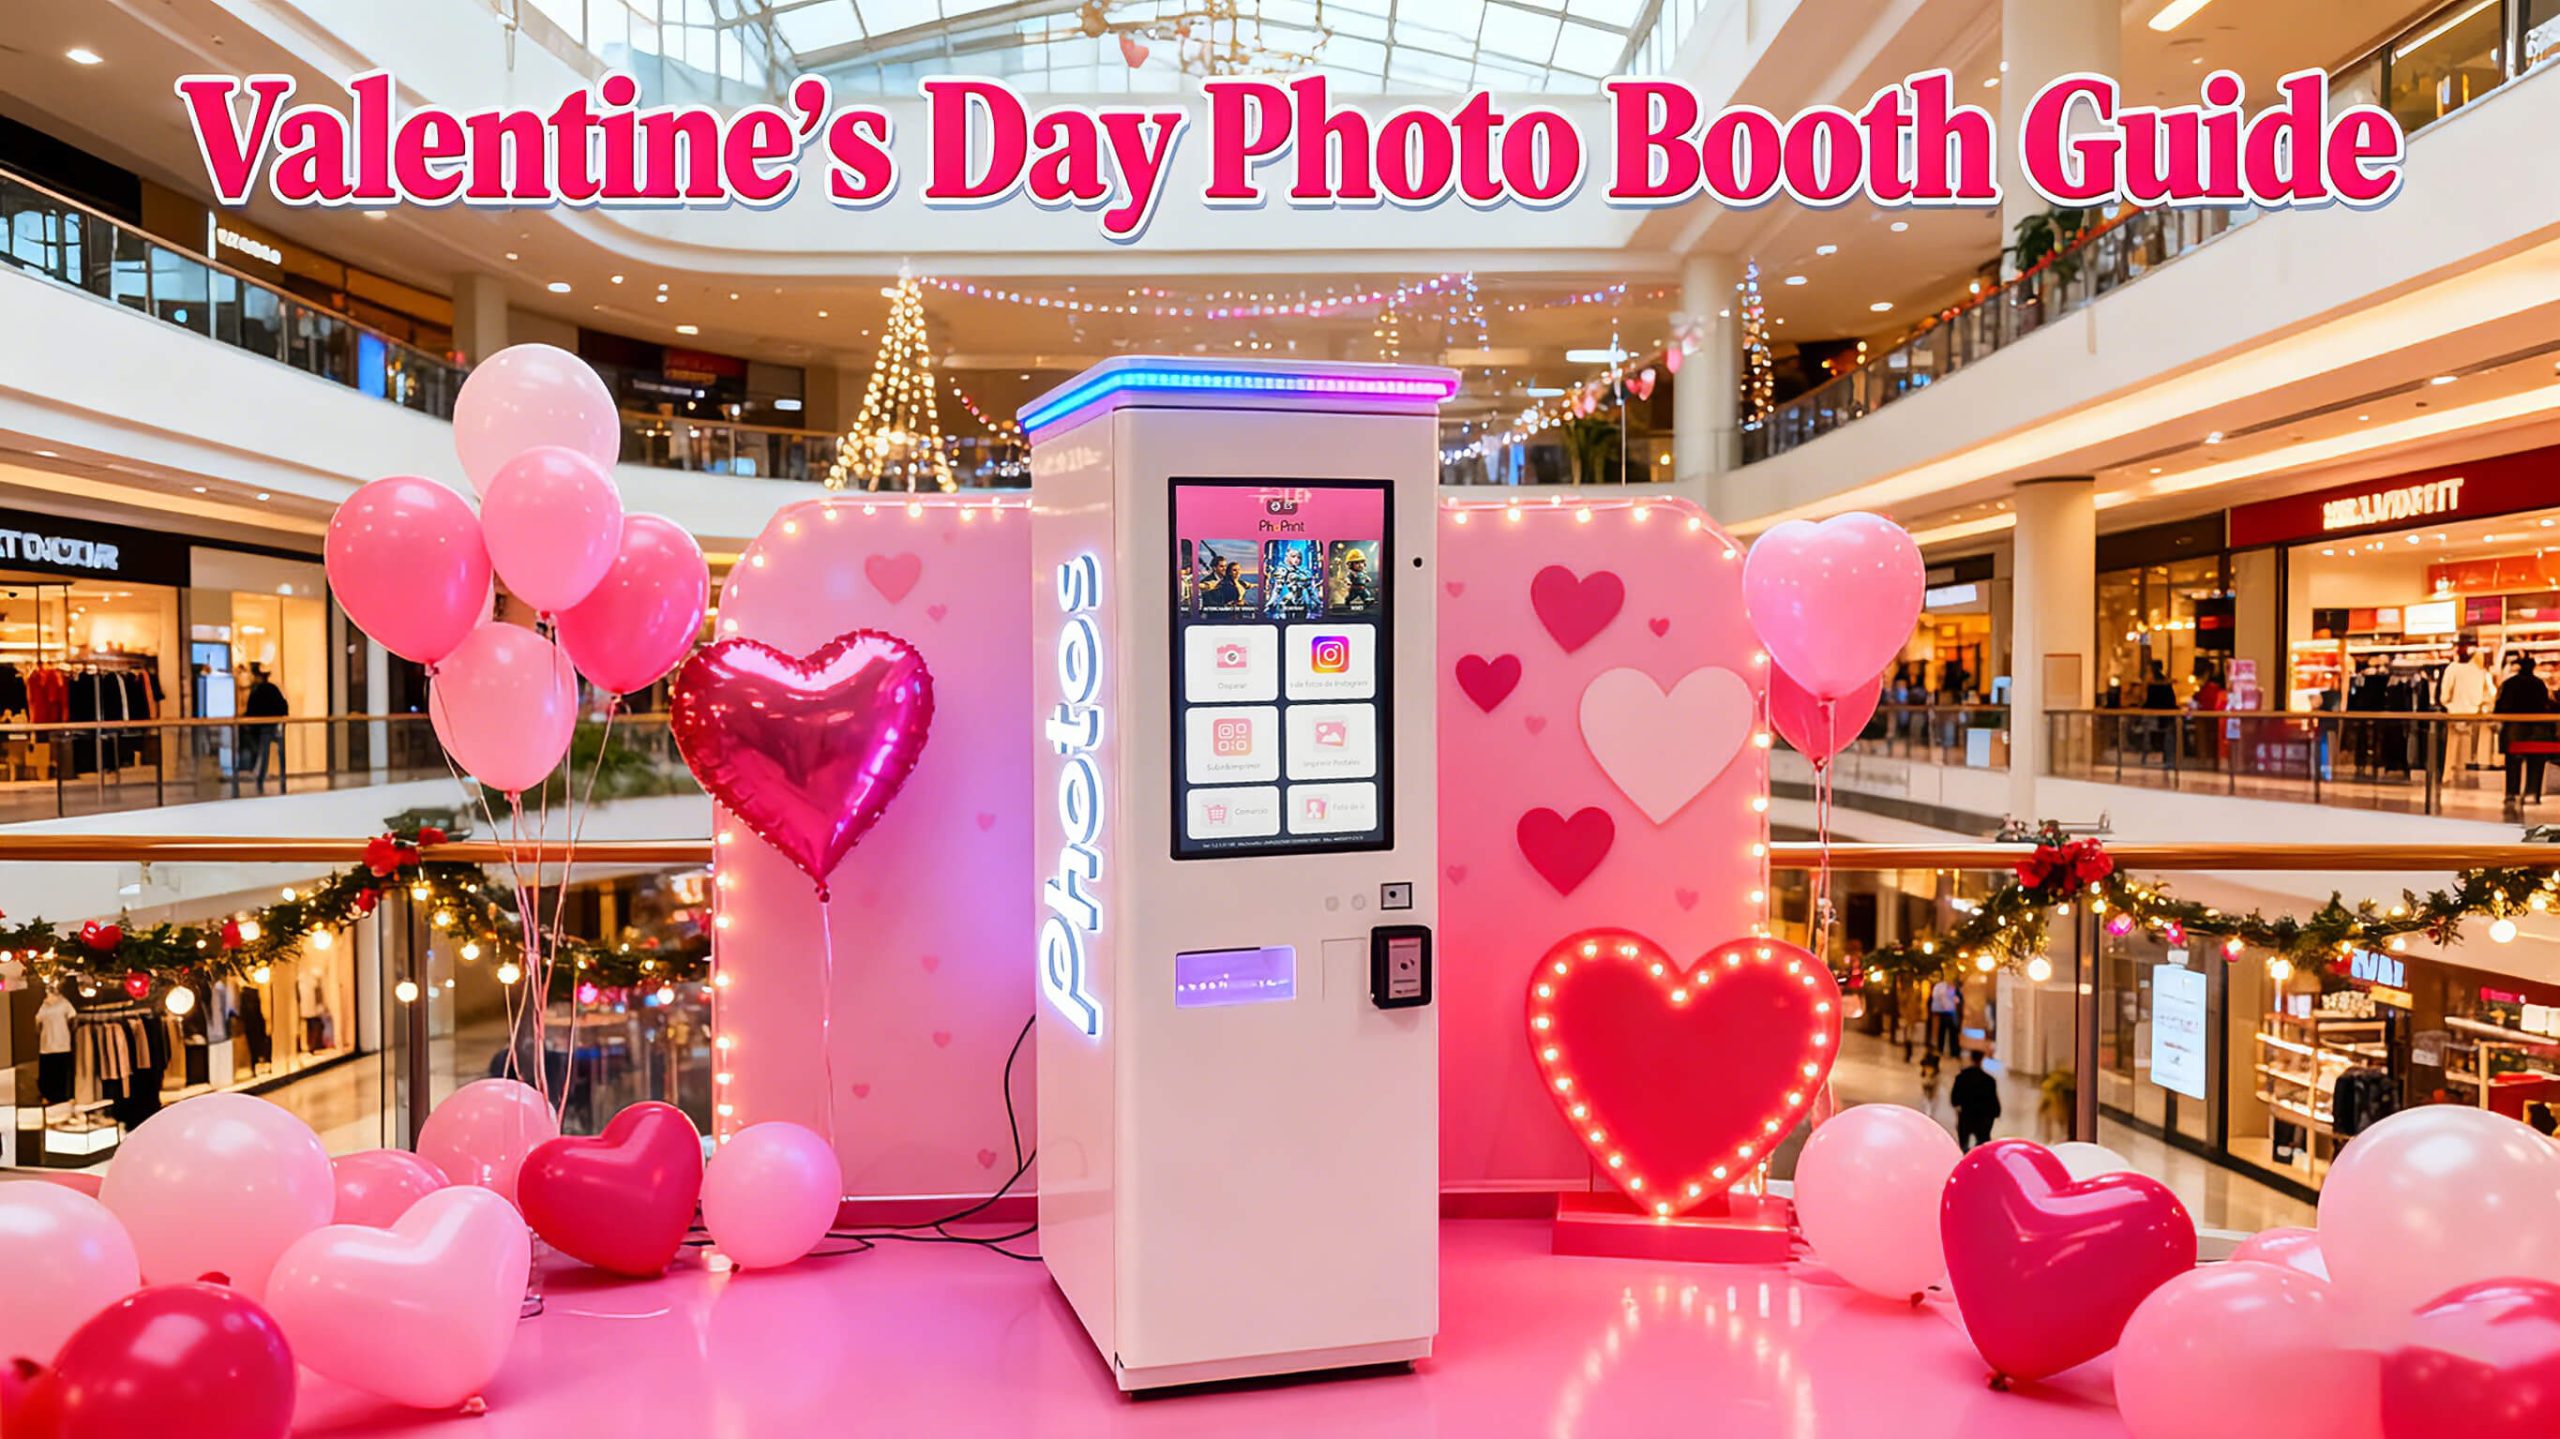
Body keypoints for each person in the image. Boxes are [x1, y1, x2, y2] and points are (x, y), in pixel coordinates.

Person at [2496, 653, 2553, 821]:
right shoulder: (2540, 684)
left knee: (2512, 762)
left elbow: (2500, 706)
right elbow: (2546, 706)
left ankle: (2511, 793)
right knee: (2535, 762)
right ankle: (2531, 793)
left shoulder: (2509, 684)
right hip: (2537, 729)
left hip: (2514, 728)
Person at [2441, 647, 2494, 786]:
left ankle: (2447, 777)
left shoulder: (2453, 669)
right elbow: (2489, 695)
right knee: (2466, 754)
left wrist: (2448, 704)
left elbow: (2444, 694)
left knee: (2450, 752)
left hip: (2454, 713)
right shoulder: (2482, 673)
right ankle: (2462, 780)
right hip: (2473, 715)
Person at [236, 665, 288, 796]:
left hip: (264, 726)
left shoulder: (257, 691)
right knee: (280, 753)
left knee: (263, 753)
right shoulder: (273, 689)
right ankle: (283, 776)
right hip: (276, 725)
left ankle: (260, 778)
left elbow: (252, 710)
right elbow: (283, 705)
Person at [1950, 1051, 2001, 1151]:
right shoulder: (1989, 1080)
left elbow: (1954, 1099)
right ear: (1982, 1060)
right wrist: (1996, 1113)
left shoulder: (1961, 1077)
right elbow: (1993, 1102)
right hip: (1983, 1118)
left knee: (1963, 1143)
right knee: (1982, 1141)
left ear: (1971, 1059)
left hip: (1966, 1116)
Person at [1928, 977, 1962, 1056]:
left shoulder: (1953, 990)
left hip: (1950, 1014)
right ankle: (1943, 1050)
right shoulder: (1942, 990)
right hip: (1945, 1013)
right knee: (1943, 1033)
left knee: (1951, 1034)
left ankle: (1952, 1051)